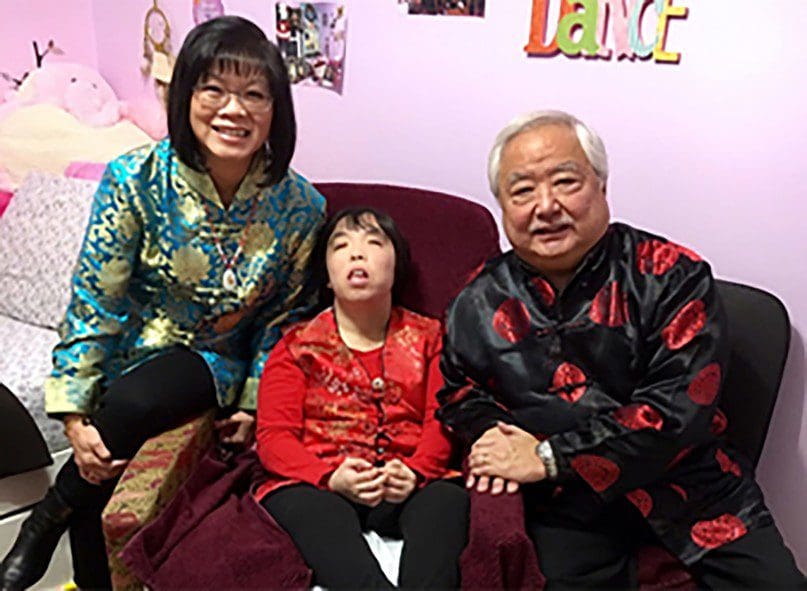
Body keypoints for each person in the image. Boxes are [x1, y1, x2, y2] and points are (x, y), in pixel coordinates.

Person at [0, 16, 325, 591]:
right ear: (187, 96)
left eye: (255, 94)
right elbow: (95, 294)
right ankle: (77, 549)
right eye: (215, 90)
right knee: (109, 425)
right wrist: (73, 411)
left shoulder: (300, 206)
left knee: (148, 390)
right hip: (127, 354)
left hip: (214, 362)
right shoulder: (135, 177)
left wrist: (256, 400)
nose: (234, 109)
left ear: (277, 109)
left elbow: (285, 321)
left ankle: (48, 512)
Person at [436, 110, 806, 589]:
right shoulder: (476, 299)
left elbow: (676, 413)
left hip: (694, 490)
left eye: (565, 181)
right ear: (503, 206)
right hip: (568, 504)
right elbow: (458, 393)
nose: (545, 206)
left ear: (601, 187)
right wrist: (497, 441)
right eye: (522, 190)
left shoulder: (673, 276)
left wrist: (547, 455)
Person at [255, 207, 468, 589]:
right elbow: (274, 438)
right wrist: (329, 477)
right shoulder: (295, 347)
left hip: (407, 478)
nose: (357, 254)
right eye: (341, 246)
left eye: (373, 243)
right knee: (312, 511)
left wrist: (416, 471)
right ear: (327, 275)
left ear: (396, 264)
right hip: (321, 480)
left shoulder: (431, 338)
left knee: (445, 503)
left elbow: (443, 416)